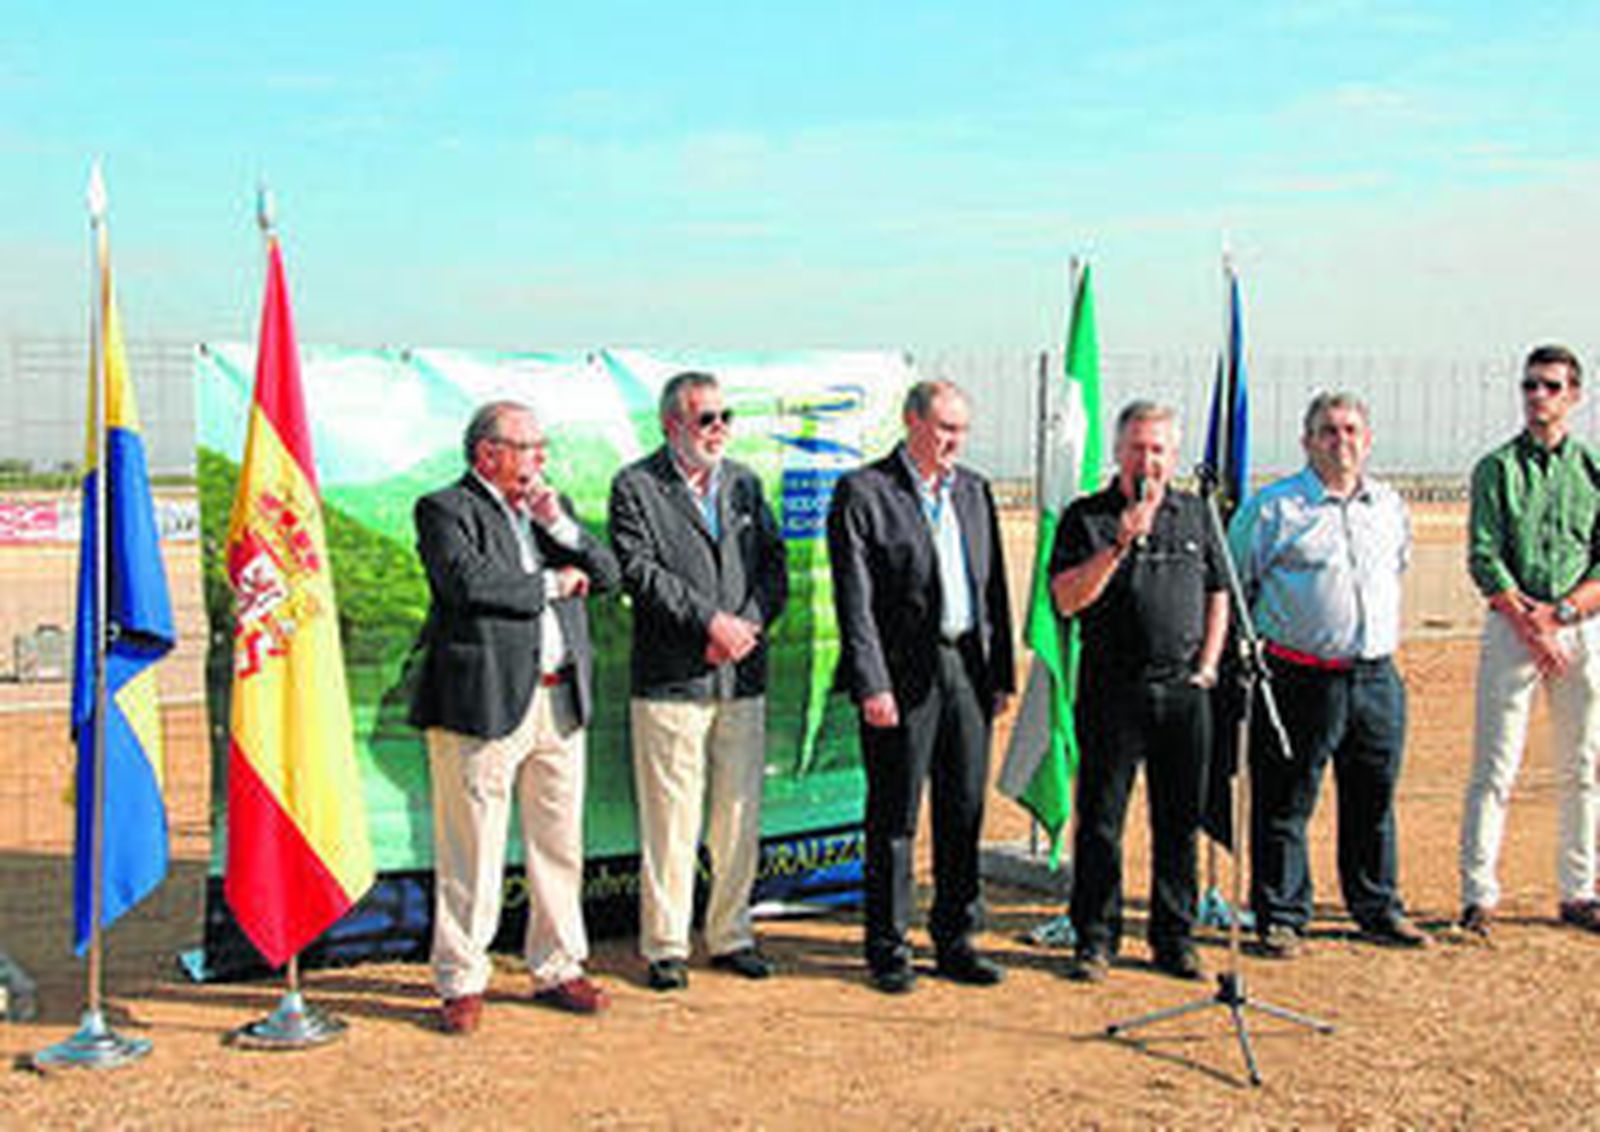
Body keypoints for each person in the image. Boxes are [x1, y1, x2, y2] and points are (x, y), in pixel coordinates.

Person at [410, 400, 621, 1035]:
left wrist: (563, 527)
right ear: (488, 454)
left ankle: (557, 965)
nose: (541, 458)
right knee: (470, 846)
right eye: (529, 447)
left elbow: (608, 575)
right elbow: (466, 584)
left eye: (542, 446)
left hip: (559, 700)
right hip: (483, 702)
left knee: (558, 844)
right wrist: (553, 584)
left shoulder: (550, 511)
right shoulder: (445, 508)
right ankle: (461, 979)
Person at [827, 379, 1015, 994]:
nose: (954, 441)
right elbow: (853, 602)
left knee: (963, 810)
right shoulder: (865, 492)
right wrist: (870, 681)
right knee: (895, 817)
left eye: (961, 430)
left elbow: (995, 593)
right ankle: (889, 946)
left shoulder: (975, 490)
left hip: (966, 667)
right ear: (911, 423)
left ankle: (957, 938)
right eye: (943, 428)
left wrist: (1001, 674)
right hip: (900, 676)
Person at [608, 371, 788, 991]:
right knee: (671, 819)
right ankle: (665, 945)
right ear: (670, 425)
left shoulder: (744, 484)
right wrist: (708, 623)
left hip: (741, 678)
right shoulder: (636, 486)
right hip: (673, 681)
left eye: (724, 416)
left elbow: (773, 566)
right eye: (705, 418)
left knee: (738, 815)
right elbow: (639, 570)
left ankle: (732, 934)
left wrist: (747, 627)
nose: (719, 429)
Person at [1229, 392, 1426, 959]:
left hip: (1375, 679)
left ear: (1367, 440)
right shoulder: (1274, 510)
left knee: (1372, 797)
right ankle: (1282, 915)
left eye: (1350, 430)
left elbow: (1397, 568)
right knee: (1286, 802)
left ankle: (1376, 907)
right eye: (1327, 431)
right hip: (1299, 678)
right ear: (1306, 441)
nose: (1340, 441)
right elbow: (1238, 584)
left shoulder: (1388, 507)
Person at [1050, 401, 1228, 982]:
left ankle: (1174, 939)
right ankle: (1095, 938)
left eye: (1157, 449)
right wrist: (1120, 543)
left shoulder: (1198, 514)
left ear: (1172, 457)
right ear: (1119, 451)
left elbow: (1217, 593)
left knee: (1178, 822)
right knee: (1101, 820)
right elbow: (1067, 599)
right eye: (1136, 447)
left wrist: (1207, 665)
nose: (1146, 459)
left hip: (1183, 692)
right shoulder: (1087, 517)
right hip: (1111, 692)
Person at [1459, 344, 1600, 938]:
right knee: (1496, 763)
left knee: (1583, 765)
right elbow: (1485, 556)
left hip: (1578, 627)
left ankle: (1578, 890)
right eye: (1529, 386)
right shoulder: (1496, 468)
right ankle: (1478, 892)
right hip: (1513, 628)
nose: (1537, 397)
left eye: (1549, 386)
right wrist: (1530, 624)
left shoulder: (1592, 468)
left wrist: (1565, 612)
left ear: (1574, 395)